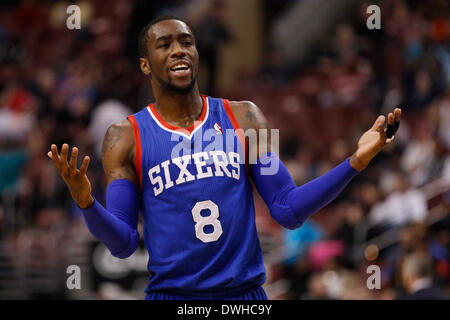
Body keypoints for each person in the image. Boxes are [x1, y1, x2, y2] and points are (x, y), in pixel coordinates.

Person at [47, 15, 402, 300]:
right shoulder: (123, 136)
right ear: (144, 64)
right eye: (165, 44)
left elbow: (287, 209)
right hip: (173, 297)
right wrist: (87, 202)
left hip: (244, 298)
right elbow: (124, 244)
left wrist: (354, 162)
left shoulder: (244, 117)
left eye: (186, 42)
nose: (178, 51)